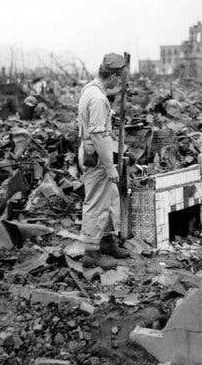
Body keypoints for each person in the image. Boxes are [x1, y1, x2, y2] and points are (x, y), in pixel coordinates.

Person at [77, 53, 130, 267]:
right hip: (97, 157)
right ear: (115, 76)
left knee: (110, 198)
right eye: (120, 78)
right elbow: (98, 136)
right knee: (97, 202)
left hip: (94, 152)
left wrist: (118, 92)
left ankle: (107, 240)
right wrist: (110, 167)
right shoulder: (98, 99)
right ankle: (90, 253)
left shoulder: (92, 89)